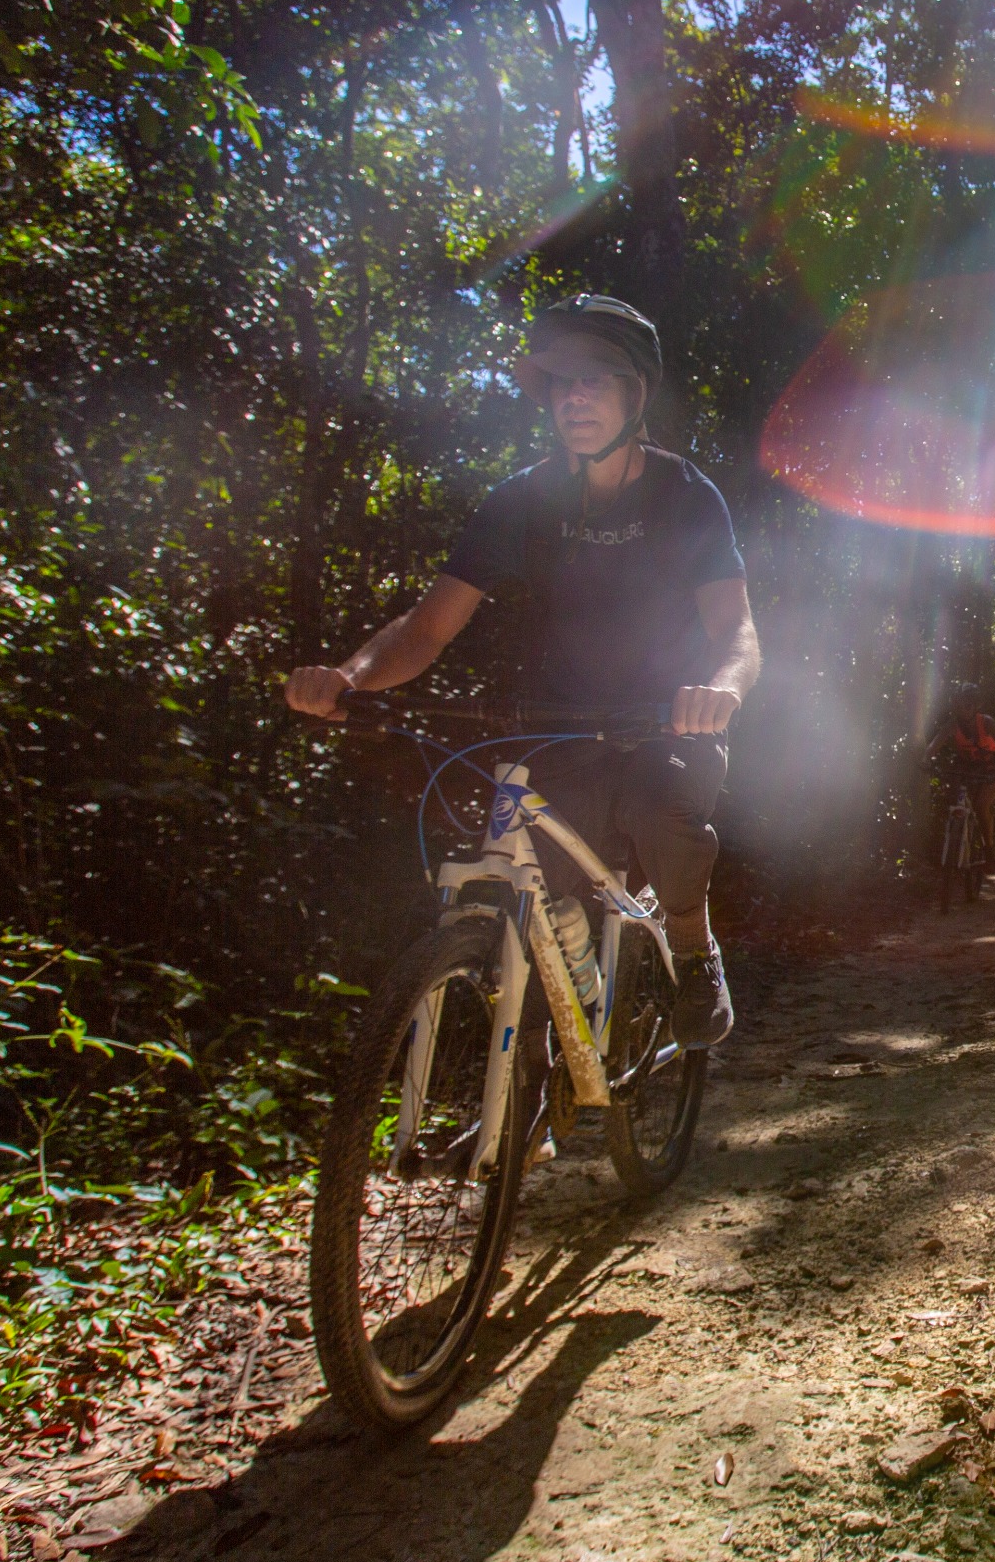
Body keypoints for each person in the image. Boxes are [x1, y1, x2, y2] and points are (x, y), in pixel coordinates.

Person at [284, 292, 761, 1046]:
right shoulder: (519, 502)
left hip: (663, 717)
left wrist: (721, 690)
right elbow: (425, 628)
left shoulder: (685, 497)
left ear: (635, 394)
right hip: (552, 724)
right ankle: (544, 1071)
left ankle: (696, 952)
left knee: (665, 808)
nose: (573, 397)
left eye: (594, 380)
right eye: (560, 383)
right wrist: (349, 676)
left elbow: (736, 629)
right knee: (528, 884)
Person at [927, 682, 995, 862]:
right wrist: (926, 761)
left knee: (981, 806)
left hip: (993, 768)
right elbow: (933, 746)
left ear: (975, 706)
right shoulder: (952, 725)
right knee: (951, 802)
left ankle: (989, 849)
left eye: (967, 705)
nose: (962, 709)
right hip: (967, 767)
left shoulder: (987, 723)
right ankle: (951, 848)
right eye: (958, 705)